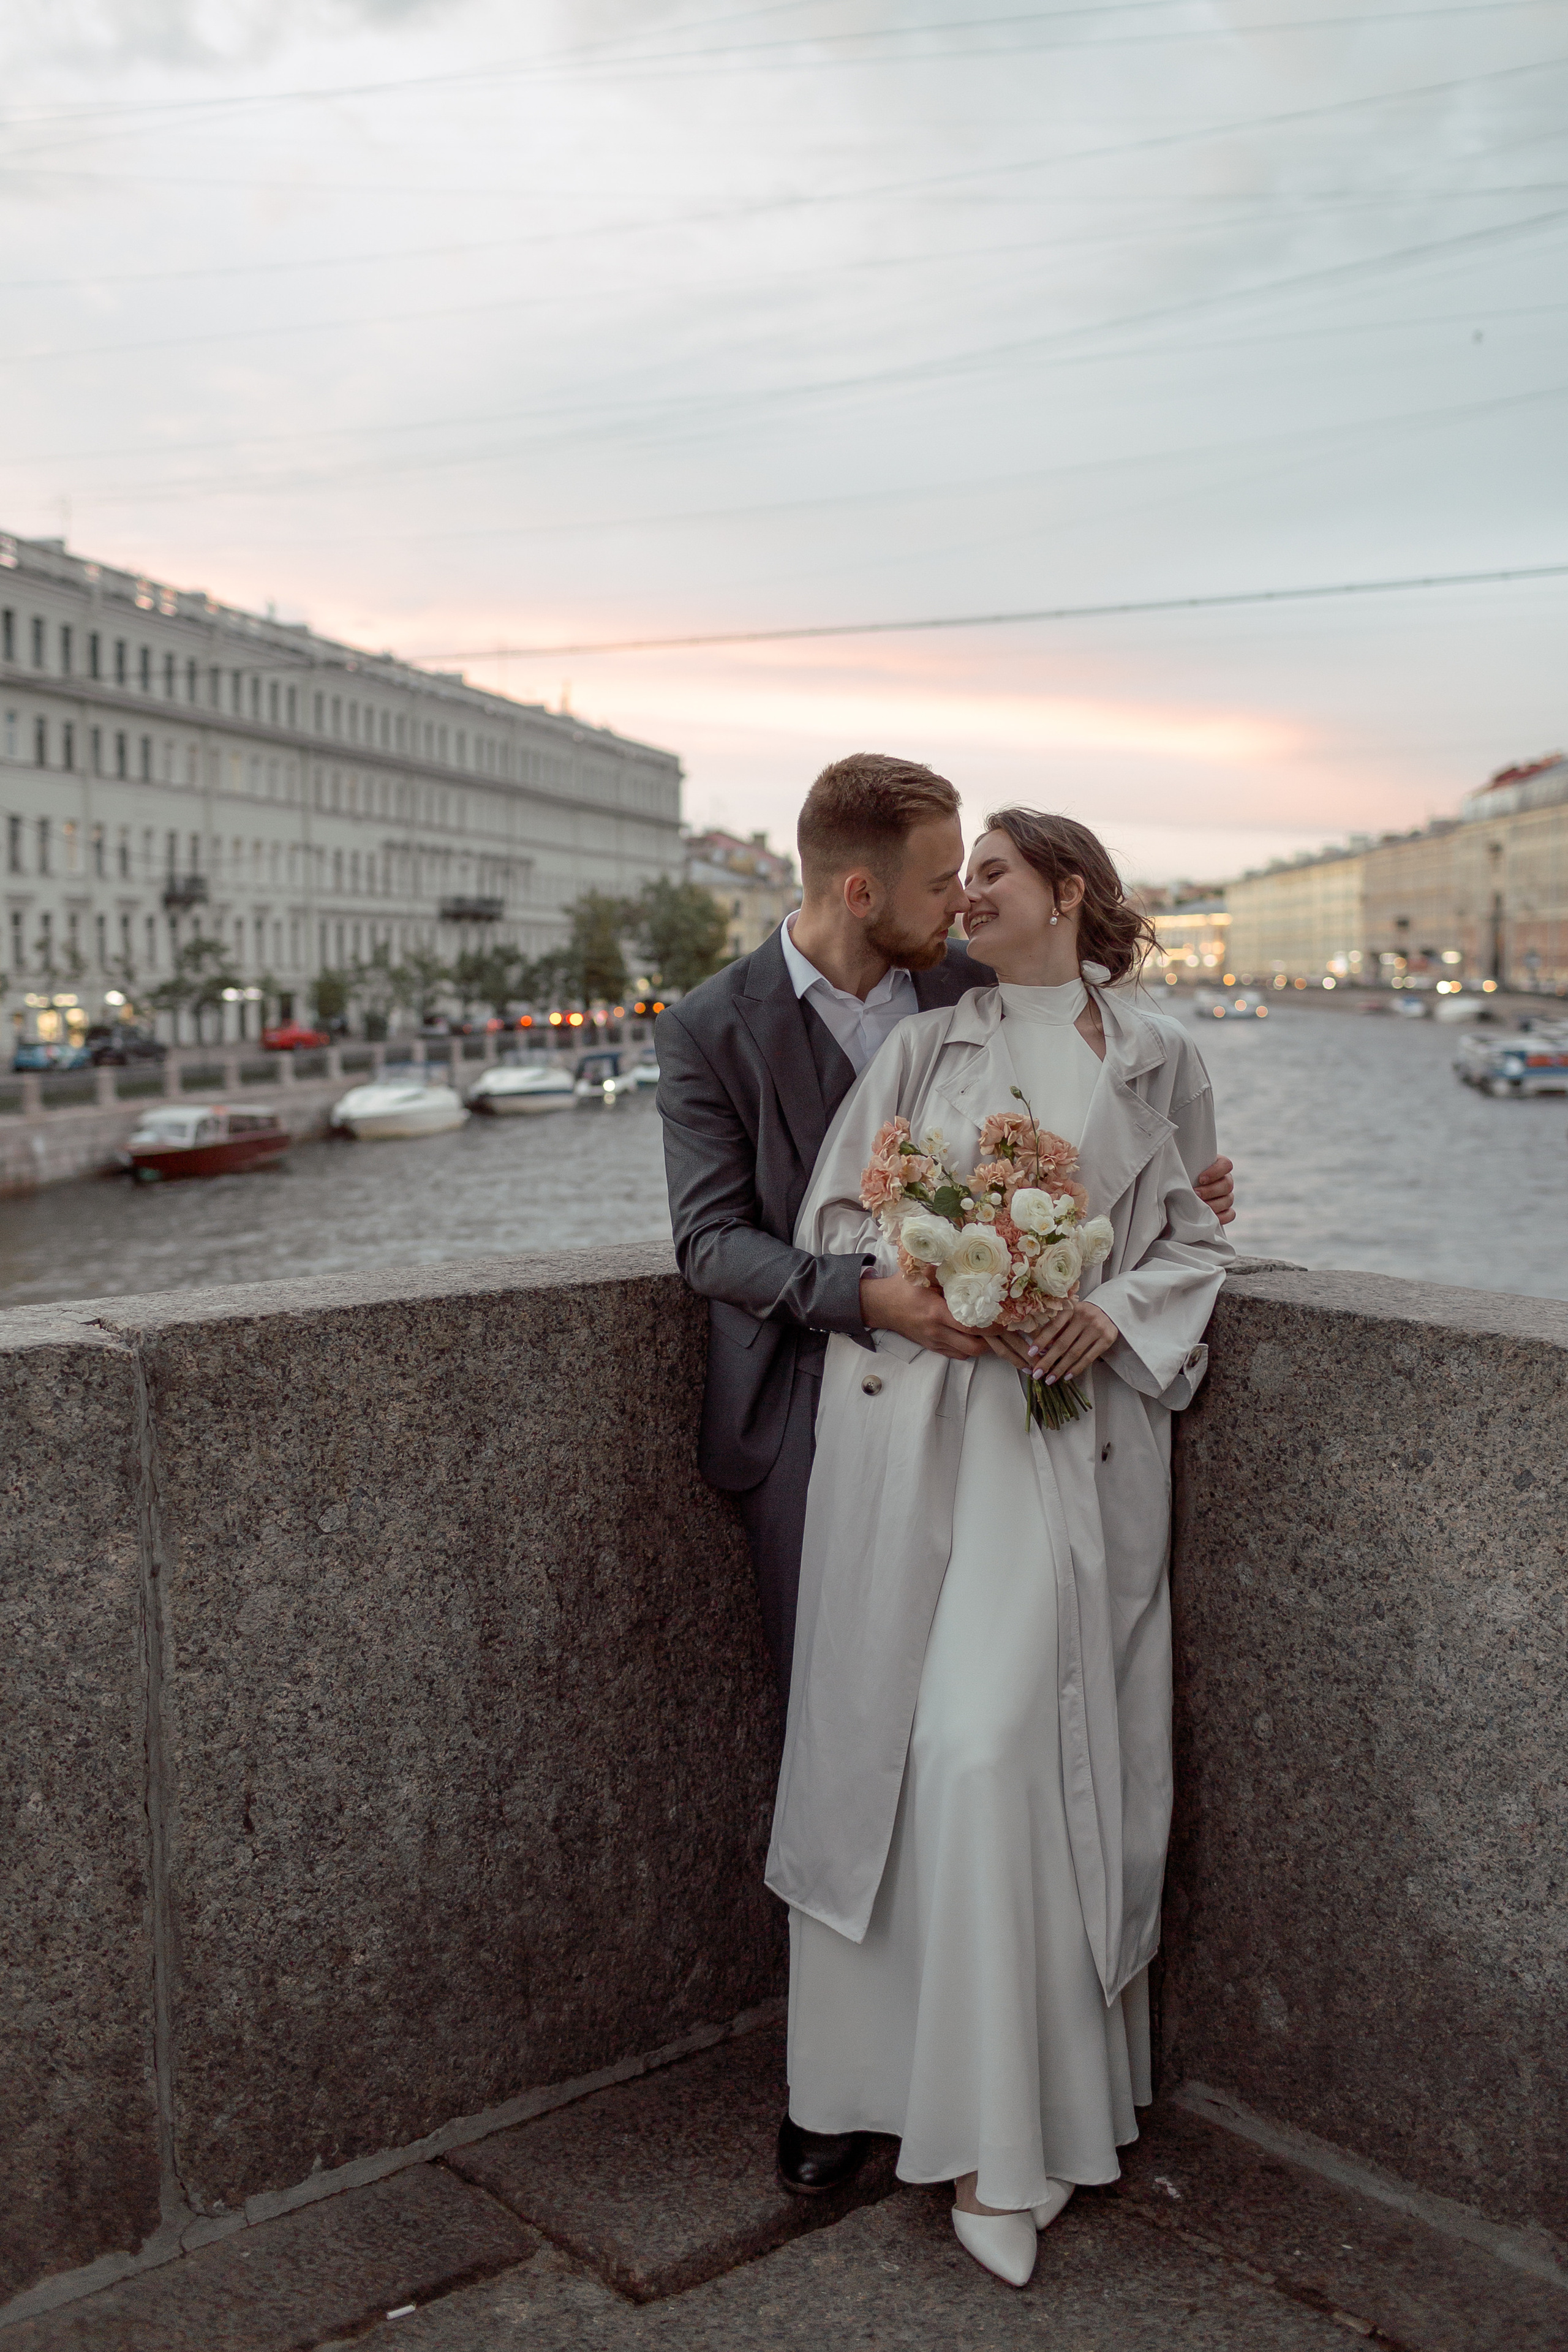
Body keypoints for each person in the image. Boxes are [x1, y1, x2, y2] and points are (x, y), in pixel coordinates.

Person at [656, 756, 1235, 2199]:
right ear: (864, 891)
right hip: (855, 1418)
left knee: (988, 1748)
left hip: (1044, 1440)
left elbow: (1182, 1219)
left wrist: (1113, 1285)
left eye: (983, 873)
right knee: (867, 1750)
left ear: (1062, 894)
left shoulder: (1027, 1006)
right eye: (943, 876)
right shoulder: (735, 1024)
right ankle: (849, 2088)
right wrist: (905, 1285)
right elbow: (727, 1238)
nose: (960, 896)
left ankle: (1007, 2101)